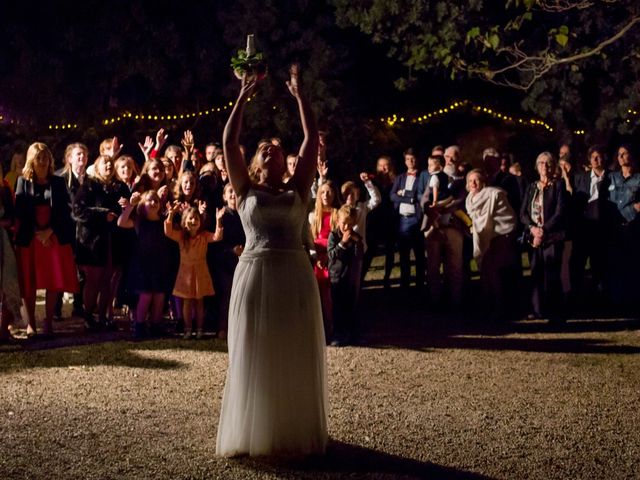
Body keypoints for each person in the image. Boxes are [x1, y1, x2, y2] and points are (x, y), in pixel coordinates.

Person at [216, 65, 327, 457]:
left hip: (295, 275)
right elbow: (229, 140)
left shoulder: (299, 188)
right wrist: (243, 94)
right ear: (258, 161)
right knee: (255, 348)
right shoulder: (244, 186)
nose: (273, 148)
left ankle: (291, 428)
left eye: (279, 146)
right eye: (266, 146)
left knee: (292, 349)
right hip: (255, 274)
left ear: (287, 159)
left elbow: (312, 138)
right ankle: (254, 430)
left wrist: (300, 96)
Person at [15, 143, 79, 338]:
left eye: (46, 157)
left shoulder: (58, 182)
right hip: (31, 238)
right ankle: (31, 324)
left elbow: (65, 212)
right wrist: (37, 233)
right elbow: (20, 212)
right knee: (29, 281)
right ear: (31, 161)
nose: (42, 162)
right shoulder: (22, 182)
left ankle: (49, 321)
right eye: (38, 158)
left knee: (53, 280)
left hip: (53, 237)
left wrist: (49, 232)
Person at [73, 155, 130, 330]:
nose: (108, 165)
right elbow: (78, 210)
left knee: (108, 280)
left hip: (114, 240)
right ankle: (88, 316)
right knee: (93, 280)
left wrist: (126, 204)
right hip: (93, 242)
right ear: (96, 166)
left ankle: (104, 317)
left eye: (110, 163)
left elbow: (128, 209)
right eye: (104, 162)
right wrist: (102, 214)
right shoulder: (89, 185)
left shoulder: (120, 186)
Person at [118, 190, 173, 339]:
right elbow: (121, 222)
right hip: (142, 265)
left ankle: (155, 325)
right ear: (142, 204)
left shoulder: (164, 220)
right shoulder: (138, 221)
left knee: (159, 295)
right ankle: (140, 326)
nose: (153, 203)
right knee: (145, 295)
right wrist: (130, 206)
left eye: (156, 200)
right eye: (149, 200)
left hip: (160, 264)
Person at [465, 169, 518, 320]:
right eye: (470, 181)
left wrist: (477, 225)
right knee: (486, 270)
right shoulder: (470, 200)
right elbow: (476, 221)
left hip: (502, 234)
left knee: (491, 267)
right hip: (487, 237)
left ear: (483, 182)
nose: (473, 183)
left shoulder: (494, 194)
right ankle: (489, 306)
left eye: (476, 180)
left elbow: (506, 217)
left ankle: (498, 307)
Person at [520, 152, 567, 322]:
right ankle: (537, 309)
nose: (544, 167)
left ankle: (555, 312)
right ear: (536, 166)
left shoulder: (558, 185)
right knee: (535, 272)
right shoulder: (532, 186)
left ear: (553, 166)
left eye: (548, 163)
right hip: (533, 237)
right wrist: (533, 229)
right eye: (540, 163)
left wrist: (544, 230)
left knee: (551, 274)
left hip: (552, 236)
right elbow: (523, 213)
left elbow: (560, 212)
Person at [164, 205, 223, 339]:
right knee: (187, 302)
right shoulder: (181, 236)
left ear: (200, 221)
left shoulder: (204, 236)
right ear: (184, 221)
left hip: (201, 271)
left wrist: (218, 220)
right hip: (185, 273)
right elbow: (168, 232)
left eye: (196, 218)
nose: (193, 221)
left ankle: (200, 329)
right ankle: (188, 329)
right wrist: (171, 214)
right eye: (190, 218)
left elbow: (217, 237)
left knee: (199, 302)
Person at [209, 183, 245, 340]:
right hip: (224, 262)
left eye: (236, 192)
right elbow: (216, 242)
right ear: (224, 196)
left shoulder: (245, 214)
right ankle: (222, 328)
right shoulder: (221, 215)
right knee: (226, 295)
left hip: (243, 260)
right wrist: (231, 251)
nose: (233, 195)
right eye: (230, 192)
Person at [327, 205, 364, 346]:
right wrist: (342, 243)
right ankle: (338, 333)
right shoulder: (334, 235)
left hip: (350, 277)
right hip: (336, 276)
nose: (346, 226)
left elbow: (359, 256)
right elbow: (331, 255)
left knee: (351, 305)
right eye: (344, 223)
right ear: (338, 221)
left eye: (349, 224)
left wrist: (357, 243)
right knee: (337, 306)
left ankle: (353, 333)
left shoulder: (356, 237)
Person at [390, 148, 425, 290]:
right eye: (408, 159)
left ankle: (420, 285)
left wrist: (404, 194)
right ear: (404, 161)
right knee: (404, 255)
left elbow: (419, 196)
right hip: (402, 220)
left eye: (413, 159)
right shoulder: (400, 177)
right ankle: (405, 286)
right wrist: (409, 197)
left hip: (417, 219)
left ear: (417, 160)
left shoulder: (422, 176)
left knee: (419, 254)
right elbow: (392, 196)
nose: (410, 162)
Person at [0, 180, 20, 341]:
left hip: (4, 243)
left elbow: (12, 217)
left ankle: (4, 329)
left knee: (7, 283)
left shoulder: (5, 189)